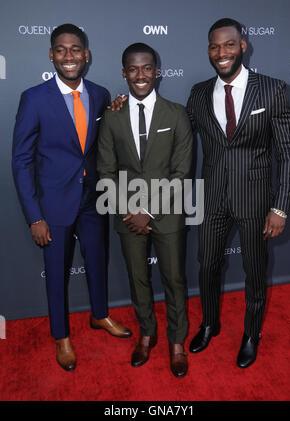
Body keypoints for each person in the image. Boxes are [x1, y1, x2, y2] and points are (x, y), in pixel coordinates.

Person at [12, 23, 131, 372]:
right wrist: (35, 216)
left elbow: (103, 140)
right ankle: (61, 335)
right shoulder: (34, 98)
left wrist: (116, 113)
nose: (69, 56)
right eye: (61, 50)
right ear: (51, 55)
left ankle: (100, 315)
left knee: (97, 262)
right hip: (53, 205)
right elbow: (21, 161)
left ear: (86, 54)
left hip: (93, 199)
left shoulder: (100, 93)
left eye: (75, 49)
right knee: (56, 271)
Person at [187, 18, 290, 368]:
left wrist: (280, 208)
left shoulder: (273, 89)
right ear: (209, 50)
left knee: (254, 270)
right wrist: (126, 106)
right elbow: (175, 134)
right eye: (215, 47)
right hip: (212, 196)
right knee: (207, 267)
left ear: (243, 46)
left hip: (255, 200)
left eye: (229, 45)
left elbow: (289, 153)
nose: (222, 53)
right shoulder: (199, 93)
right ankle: (209, 323)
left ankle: (252, 334)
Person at [97, 43, 193, 377]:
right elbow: (105, 170)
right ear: (124, 73)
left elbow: (182, 172)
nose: (141, 75)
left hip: (167, 214)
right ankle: (147, 333)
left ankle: (177, 341)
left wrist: (148, 212)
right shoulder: (112, 115)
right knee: (138, 280)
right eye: (133, 69)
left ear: (157, 71)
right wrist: (130, 211)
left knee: (174, 279)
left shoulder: (176, 113)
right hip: (127, 216)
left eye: (147, 68)